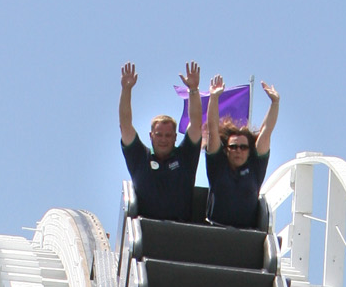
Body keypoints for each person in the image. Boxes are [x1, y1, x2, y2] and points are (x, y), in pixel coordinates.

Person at [119, 61, 203, 223]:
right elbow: (125, 125)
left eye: (168, 135)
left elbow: (196, 123)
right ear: (151, 136)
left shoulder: (185, 156)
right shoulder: (140, 157)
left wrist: (193, 90)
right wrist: (126, 89)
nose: (163, 139)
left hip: (181, 231)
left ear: (175, 138)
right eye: (159, 135)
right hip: (146, 232)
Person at [204, 76, 279, 228]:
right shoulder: (217, 166)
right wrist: (214, 97)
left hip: (246, 236)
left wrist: (275, 103)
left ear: (249, 150)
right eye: (233, 147)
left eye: (243, 147)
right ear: (226, 150)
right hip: (214, 230)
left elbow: (266, 132)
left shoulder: (255, 168)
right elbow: (212, 130)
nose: (238, 150)